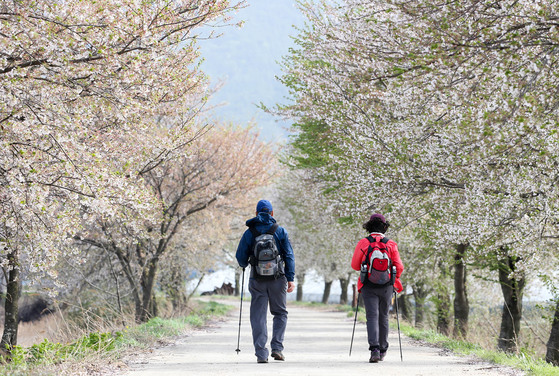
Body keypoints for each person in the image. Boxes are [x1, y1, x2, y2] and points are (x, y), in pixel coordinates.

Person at [236, 199, 296, 364]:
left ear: (256, 214)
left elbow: (240, 257)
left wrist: (246, 263)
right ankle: (277, 348)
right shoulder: (280, 231)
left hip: (257, 279)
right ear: (272, 213)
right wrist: (290, 278)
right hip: (278, 279)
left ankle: (261, 354)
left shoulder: (250, 232)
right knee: (280, 313)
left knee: (258, 316)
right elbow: (289, 255)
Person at [351, 213, 404, 363]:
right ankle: (383, 349)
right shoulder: (391, 244)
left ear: (369, 226)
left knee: (372, 317)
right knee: (384, 316)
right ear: (384, 227)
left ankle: (374, 349)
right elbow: (399, 266)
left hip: (368, 285)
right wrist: (393, 279)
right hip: (387, 286)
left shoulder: (363, 243)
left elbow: (355, 265)